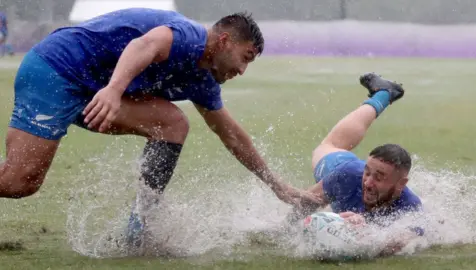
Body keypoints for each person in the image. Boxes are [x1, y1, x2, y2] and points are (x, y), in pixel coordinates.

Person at [0, 8, 320, 247]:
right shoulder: (189, 38)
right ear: (224, 41)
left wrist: (277, 187)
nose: (242, 69)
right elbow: (145, 45)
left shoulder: (203, 79)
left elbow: (231, 134)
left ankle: (140, 227)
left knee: (172, 124)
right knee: (19, 182)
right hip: (57, 71)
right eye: (245, 57)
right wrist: (114, 89)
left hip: (91, 91)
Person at [294, 73, 424, 256]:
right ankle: (384, 94)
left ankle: (384, 93)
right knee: (329, 146)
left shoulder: (411, 207)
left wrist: (365, 232)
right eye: (368, 173)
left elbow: (395, 244)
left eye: (379, 178)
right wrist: (331, 221)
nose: (368, 183)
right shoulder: (346, 176)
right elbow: (302, 209)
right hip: (339, 163)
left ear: (401, 184)